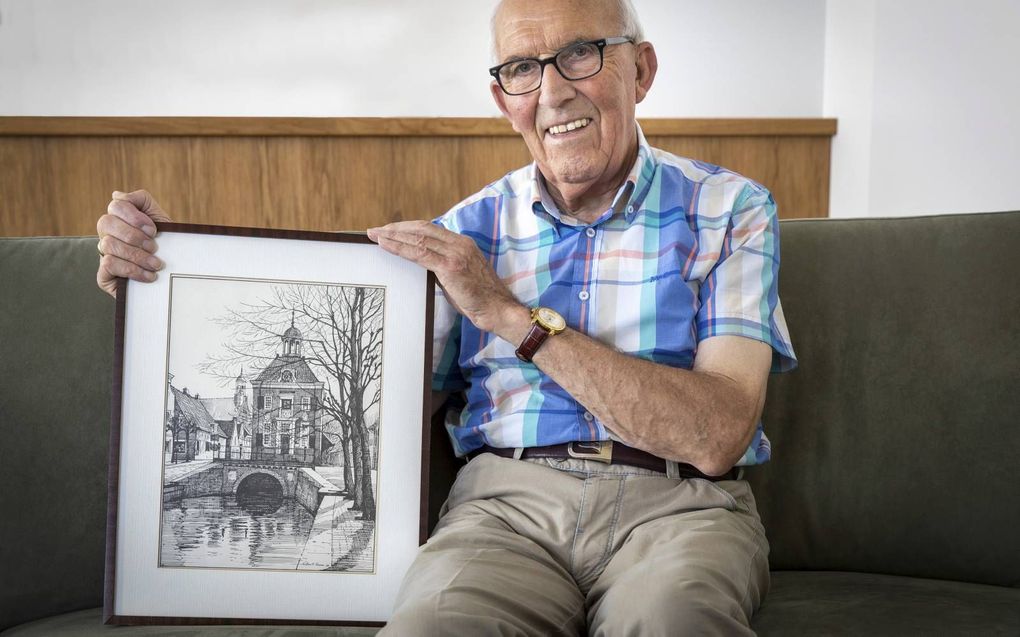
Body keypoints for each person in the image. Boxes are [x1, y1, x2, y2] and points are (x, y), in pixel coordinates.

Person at [96, 0, 796, 633]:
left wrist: (511, 316)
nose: (553, 91)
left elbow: (716, 435)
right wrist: (166, 281)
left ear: (640, 70)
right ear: (503, 98)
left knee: (673, 620)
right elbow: (369, 400)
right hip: (504, 512)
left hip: (682, 506)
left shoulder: (729, 210)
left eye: (581, 53)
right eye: (524, 67)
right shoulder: (462, 234)